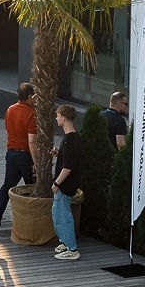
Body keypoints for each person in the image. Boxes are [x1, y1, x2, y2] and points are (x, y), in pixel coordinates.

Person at [0, 81, 38, 233]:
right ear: (29, 97)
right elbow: (32, 141)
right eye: (35, 96)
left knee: (6, 187)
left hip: (11, 154)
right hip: (25, 155)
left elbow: (7, 130)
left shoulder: (10, 109)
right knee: (34, 189)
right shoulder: (31, 114)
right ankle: (34, 225)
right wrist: (36, 163)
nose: (36, 99)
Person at [50, 102, 83, 260]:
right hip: (68, 183)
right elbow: (70, 159)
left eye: (58, 116)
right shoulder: (73, 138)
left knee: (63, 216)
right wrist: (59, 154)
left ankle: (72, 249)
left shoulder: (69, 140)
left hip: (65, 184)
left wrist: (56, 183)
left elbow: (68, 167)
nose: (56, 119)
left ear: (63, 118)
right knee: (57, 213)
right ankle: (64, 241)